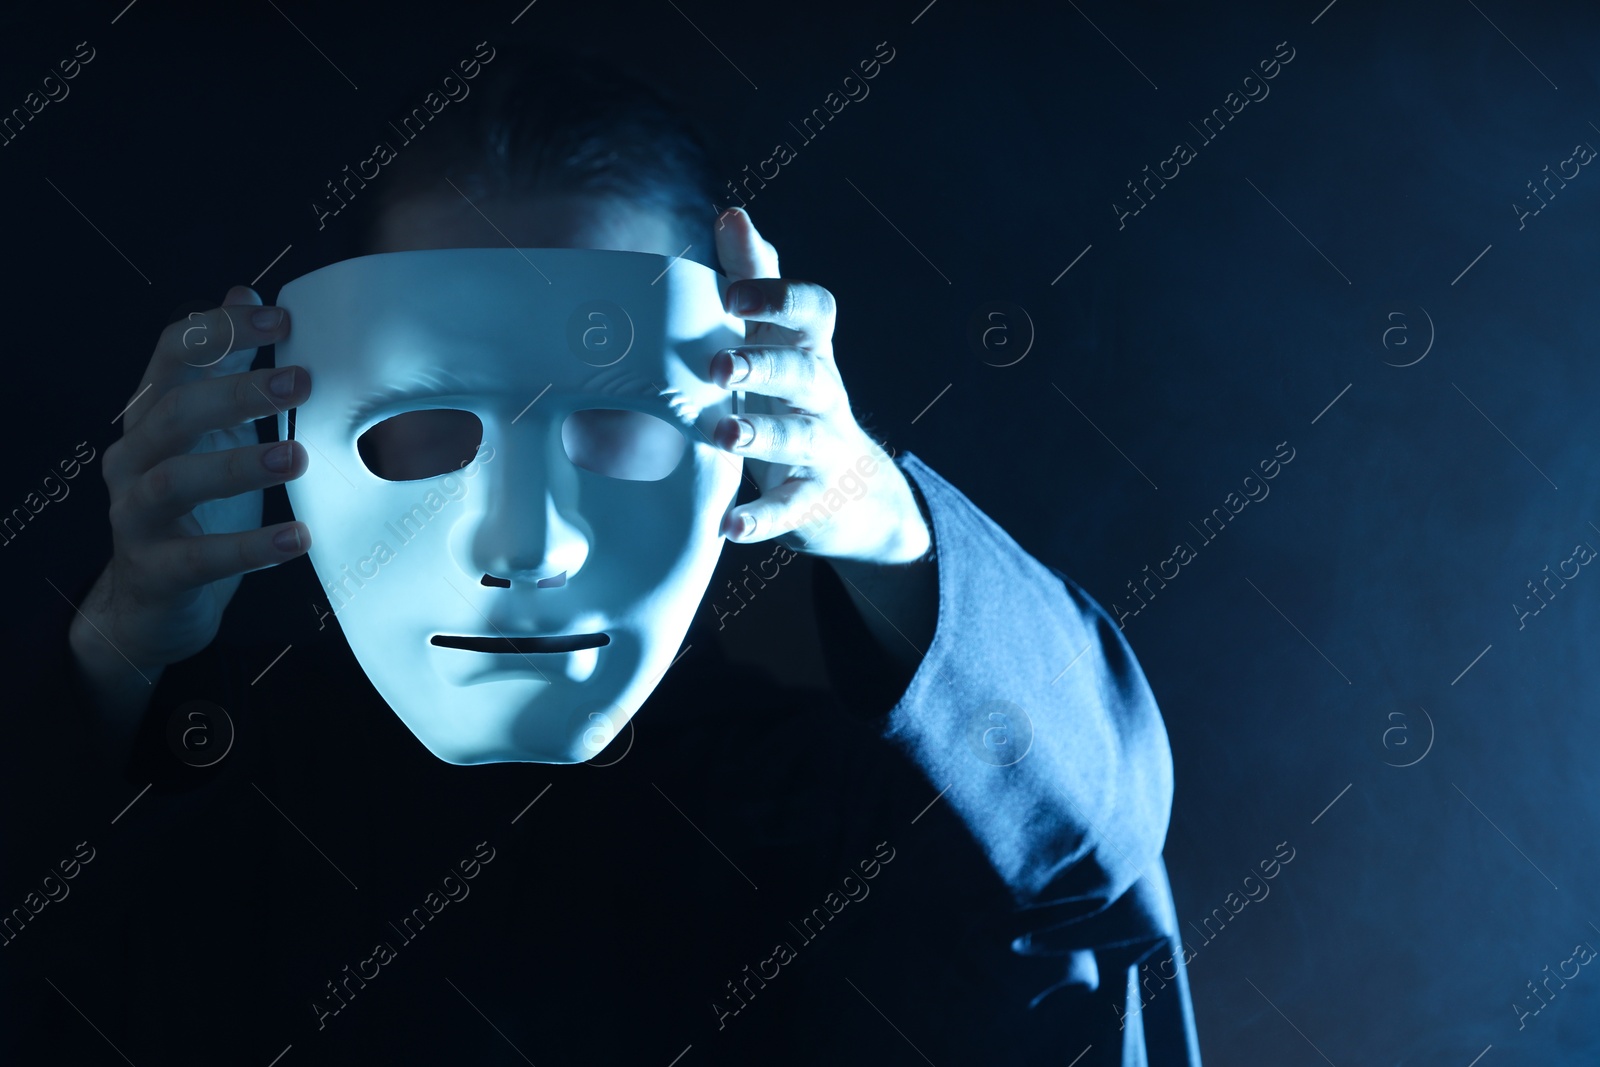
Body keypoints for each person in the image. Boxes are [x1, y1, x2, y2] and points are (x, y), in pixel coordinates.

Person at [26, 48, 1200, 1065]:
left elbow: (1097, 886)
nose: (524, 540)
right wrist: (122, 653)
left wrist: (876, 511)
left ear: (746, 418)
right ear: (292, 419)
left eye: (611, 421)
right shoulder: (221, 801)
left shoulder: (826, 825)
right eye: (424, 425)